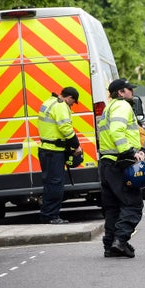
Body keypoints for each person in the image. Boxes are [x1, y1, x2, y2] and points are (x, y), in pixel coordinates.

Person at [98, 78, 145, 258]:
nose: (132, 92)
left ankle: (110, 245)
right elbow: (117, 131)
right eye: (129, 89)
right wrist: (128, 152)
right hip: (120, 163)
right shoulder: (122, 106)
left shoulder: (107, 108)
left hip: (106, 163)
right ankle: (119, 240)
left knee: (113, 208)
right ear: (120, 92)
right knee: (132, 204)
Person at [37, 87, 82, 224]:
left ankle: (47, 214)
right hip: (53, 151)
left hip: (46, 149)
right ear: (69, 98)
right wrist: (76, 145)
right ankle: (51, 216)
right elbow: (65, 129)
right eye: (73, 103)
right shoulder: (60, 106)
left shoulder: (48, 102)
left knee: (50, 183)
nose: (71, 105)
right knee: (56, 184)